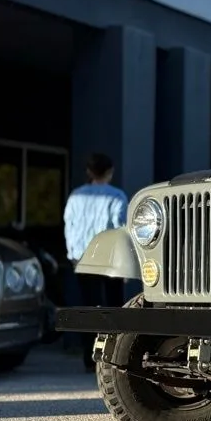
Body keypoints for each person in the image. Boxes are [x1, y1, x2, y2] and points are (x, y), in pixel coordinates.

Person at [64, 152, 128, 372]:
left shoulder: (75, 197)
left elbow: (69, 228)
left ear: (89, 172)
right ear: (110, 172)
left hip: (83, 258)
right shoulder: (117, 196)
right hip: (110, 258)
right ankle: (114, 356)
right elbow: (121, 229)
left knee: (88, 307)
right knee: (114, 307)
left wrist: (73, 255)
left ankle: (89, 357)